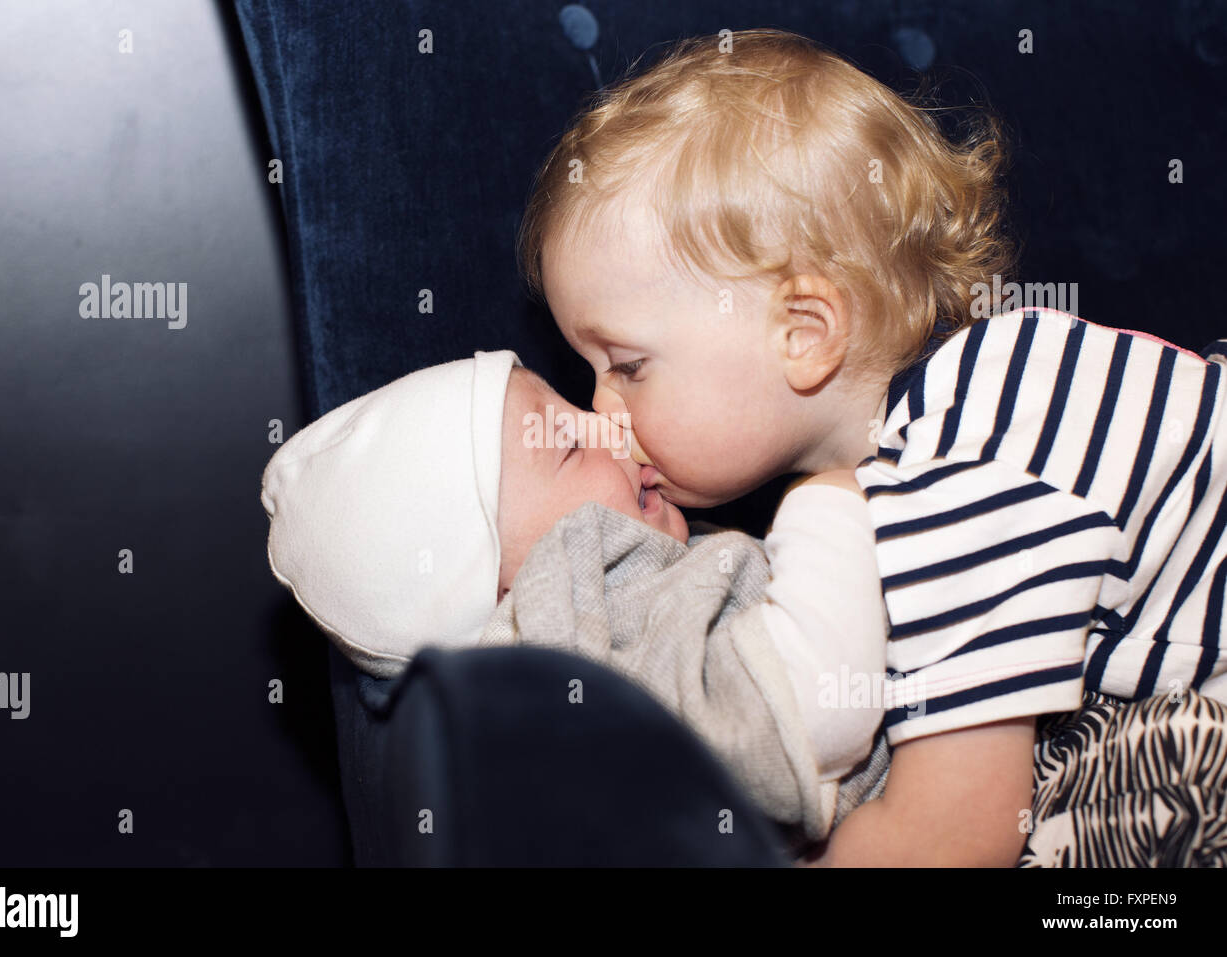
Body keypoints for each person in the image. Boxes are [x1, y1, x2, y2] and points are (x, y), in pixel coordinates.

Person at [518, 27, 1227, 865]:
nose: (603, 410)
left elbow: (956, 839)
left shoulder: (963, 463)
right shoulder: (959, 405)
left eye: (627, 365)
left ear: (806, 333)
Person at [260, 350, 887, 822]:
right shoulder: (582, 647)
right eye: (564, 444)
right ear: (509, 589)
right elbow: (800, 725)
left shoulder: (626, 578)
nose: (609, 427)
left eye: (572, 411)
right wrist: (833, 508)